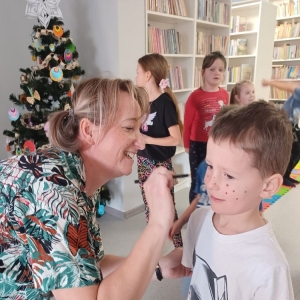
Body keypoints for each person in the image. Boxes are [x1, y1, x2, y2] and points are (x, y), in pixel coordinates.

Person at [0, 77, 186, 300]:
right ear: (88, 130)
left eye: (139, 128)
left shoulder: (79, 178)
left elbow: (90, 267)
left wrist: (158, 267)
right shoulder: (53, 188)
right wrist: (157, 224)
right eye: (129, 127)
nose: (141, 143)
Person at [181, 101, 294, 299]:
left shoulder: (270, 268)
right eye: (209, 166)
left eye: (229, 176)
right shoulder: (198, 221)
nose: (211, 182)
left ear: (268, 186)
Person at [135, 53, 183, 248]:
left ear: (148, 75)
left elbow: (176, 139)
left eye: (137, 72)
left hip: (160, 164)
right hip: (143, 161)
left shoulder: (165, 104)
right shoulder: (142, 102)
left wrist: (147, 139)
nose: (136, 77)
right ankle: (152, 249)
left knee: (168, 208)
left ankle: (181, 250)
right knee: (150, 208)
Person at [184, 51, 229, 203]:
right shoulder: (195, 96)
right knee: (198, 179)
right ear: (203, 72)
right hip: (197, 144)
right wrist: (187, 145)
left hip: (217, 143)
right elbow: (187, 123)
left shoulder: (224, 95)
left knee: (214, 177)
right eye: (212, 69)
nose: (217, 72)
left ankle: (210, 207)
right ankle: (193, 212)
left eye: (221, 69)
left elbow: (225, 121)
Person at [262, 79, 300, 186]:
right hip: (286, 122)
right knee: (294, 150)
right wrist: (269, 82)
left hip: (294, 123)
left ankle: (286, 175)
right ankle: (282, 175)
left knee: (297, 150)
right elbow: (288, 87)